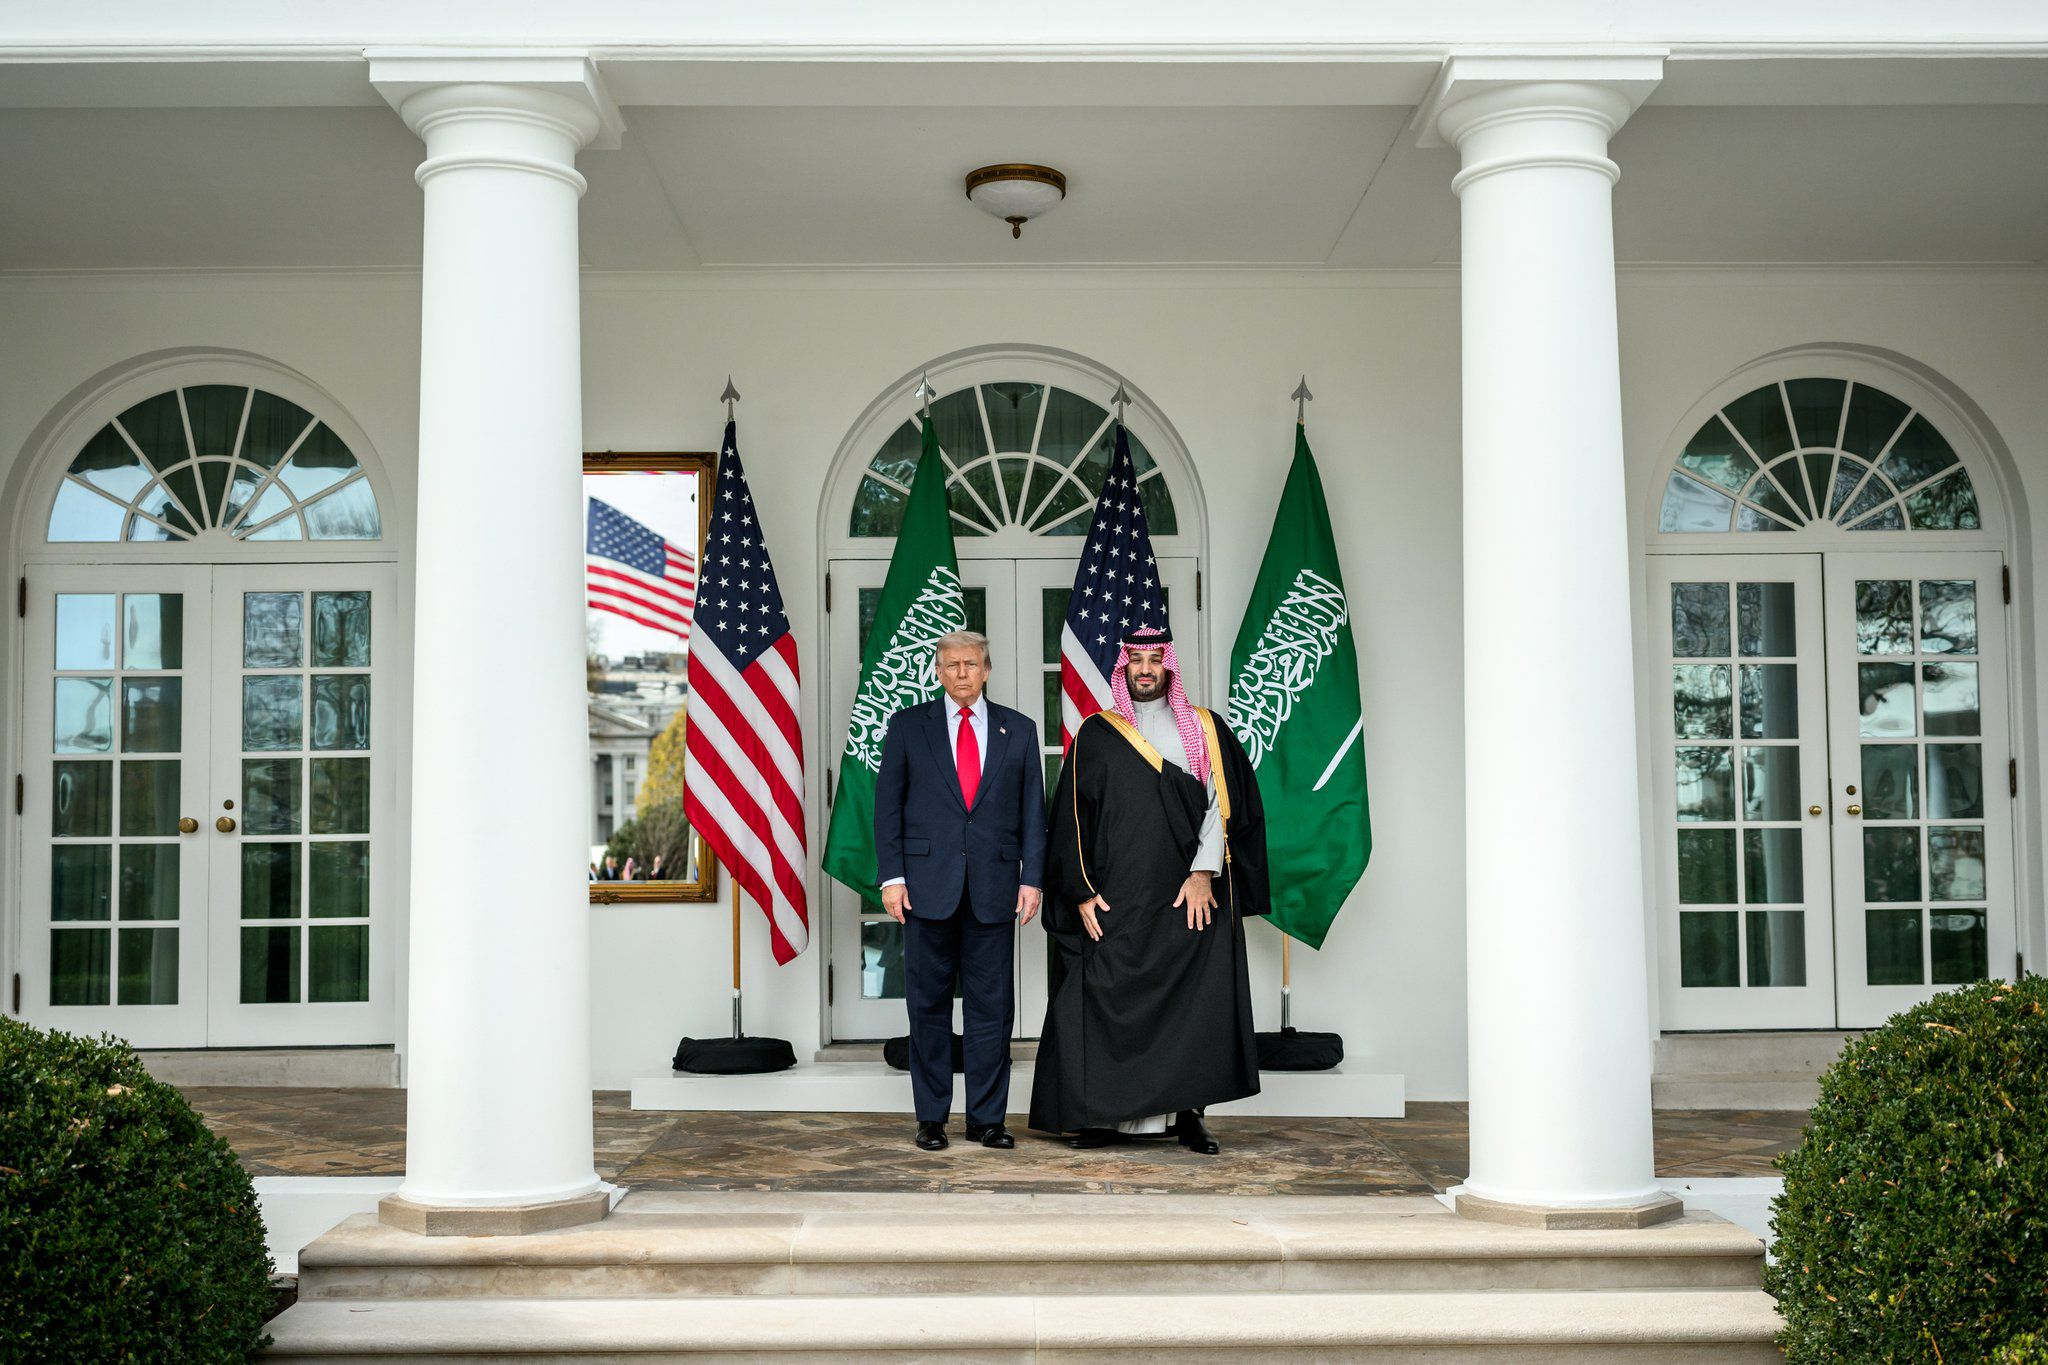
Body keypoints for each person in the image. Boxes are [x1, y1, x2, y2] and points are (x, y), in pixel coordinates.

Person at [1029, 626, 1269, 1154]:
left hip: (1190, 896)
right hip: (1119, 896)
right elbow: (1070, 816)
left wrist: (1204, 874)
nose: (1144, 669)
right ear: (1123, 668)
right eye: (1135, 660)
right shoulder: (1097, 731)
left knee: (1194, 1003)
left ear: (1169, 667)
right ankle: (1099, 1116)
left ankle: (1189, 1115)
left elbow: (1223, 807)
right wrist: (1082, 893)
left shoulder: (1206, 729)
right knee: (1102, 995)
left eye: (1153, 660)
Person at [874, 630, 1047, 1152]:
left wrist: (1031, 878)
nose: (961, 673)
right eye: (951, 665)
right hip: (925, 891)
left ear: (987, 670)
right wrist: (892, 877)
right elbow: (888, 808)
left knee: (990, 1010)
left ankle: (987, 1119)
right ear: (938, 672)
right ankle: (931, 1118)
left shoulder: (1019, 730)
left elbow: (1033, 812)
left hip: (995, 890)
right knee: (927, 1006)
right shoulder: (909, 728)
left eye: (970, 664)